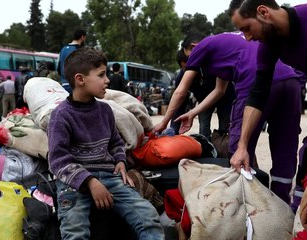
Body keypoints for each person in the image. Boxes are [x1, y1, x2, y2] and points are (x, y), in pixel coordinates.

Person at [153, 32, 302, 204]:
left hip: (255, 81)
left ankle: (249, 205)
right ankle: (281, 203)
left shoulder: (202, 47)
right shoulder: (227, 45)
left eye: (190, 58)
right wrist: (193, 112)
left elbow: (180, 91)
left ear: (193, 47)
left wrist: (164, 122)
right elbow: (219, 91)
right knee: (285, 143)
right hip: (290, 81)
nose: (194, 63)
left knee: (239, 147)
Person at [229, 0, 307, 211]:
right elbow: (257, 94)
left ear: (264, 12)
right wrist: (242, 146)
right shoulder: (270, 45)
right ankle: (299, 211)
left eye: (247, 28)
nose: (247, 38)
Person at [47, 47, 164, 239]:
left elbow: (116, 143)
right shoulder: (61, 116)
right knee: (74, 231)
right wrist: (90, 181)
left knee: (148, 216)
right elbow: (58, 161)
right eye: (101, 75)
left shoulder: (105, 111)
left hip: (110, 177)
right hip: (74, 183)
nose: (107, 80)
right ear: (80, 79)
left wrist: (120, 161)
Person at [170, 33, 236, 138]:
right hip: (204, 102)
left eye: (190, 68)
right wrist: (173, 130)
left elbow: (221, 90)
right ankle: (206, 148)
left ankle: (225, 148)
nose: (188, 72)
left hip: (225, 98)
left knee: (225, 129)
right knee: (203, 128)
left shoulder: (211, 66)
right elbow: (180, 104)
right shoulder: (182, 77)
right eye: (184, 69)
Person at [58, 29, 87, 93]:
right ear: (82, 37)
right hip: (76, 86)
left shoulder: (63, 49)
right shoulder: (80, 50)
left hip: (64, 85)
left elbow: (59, 69)